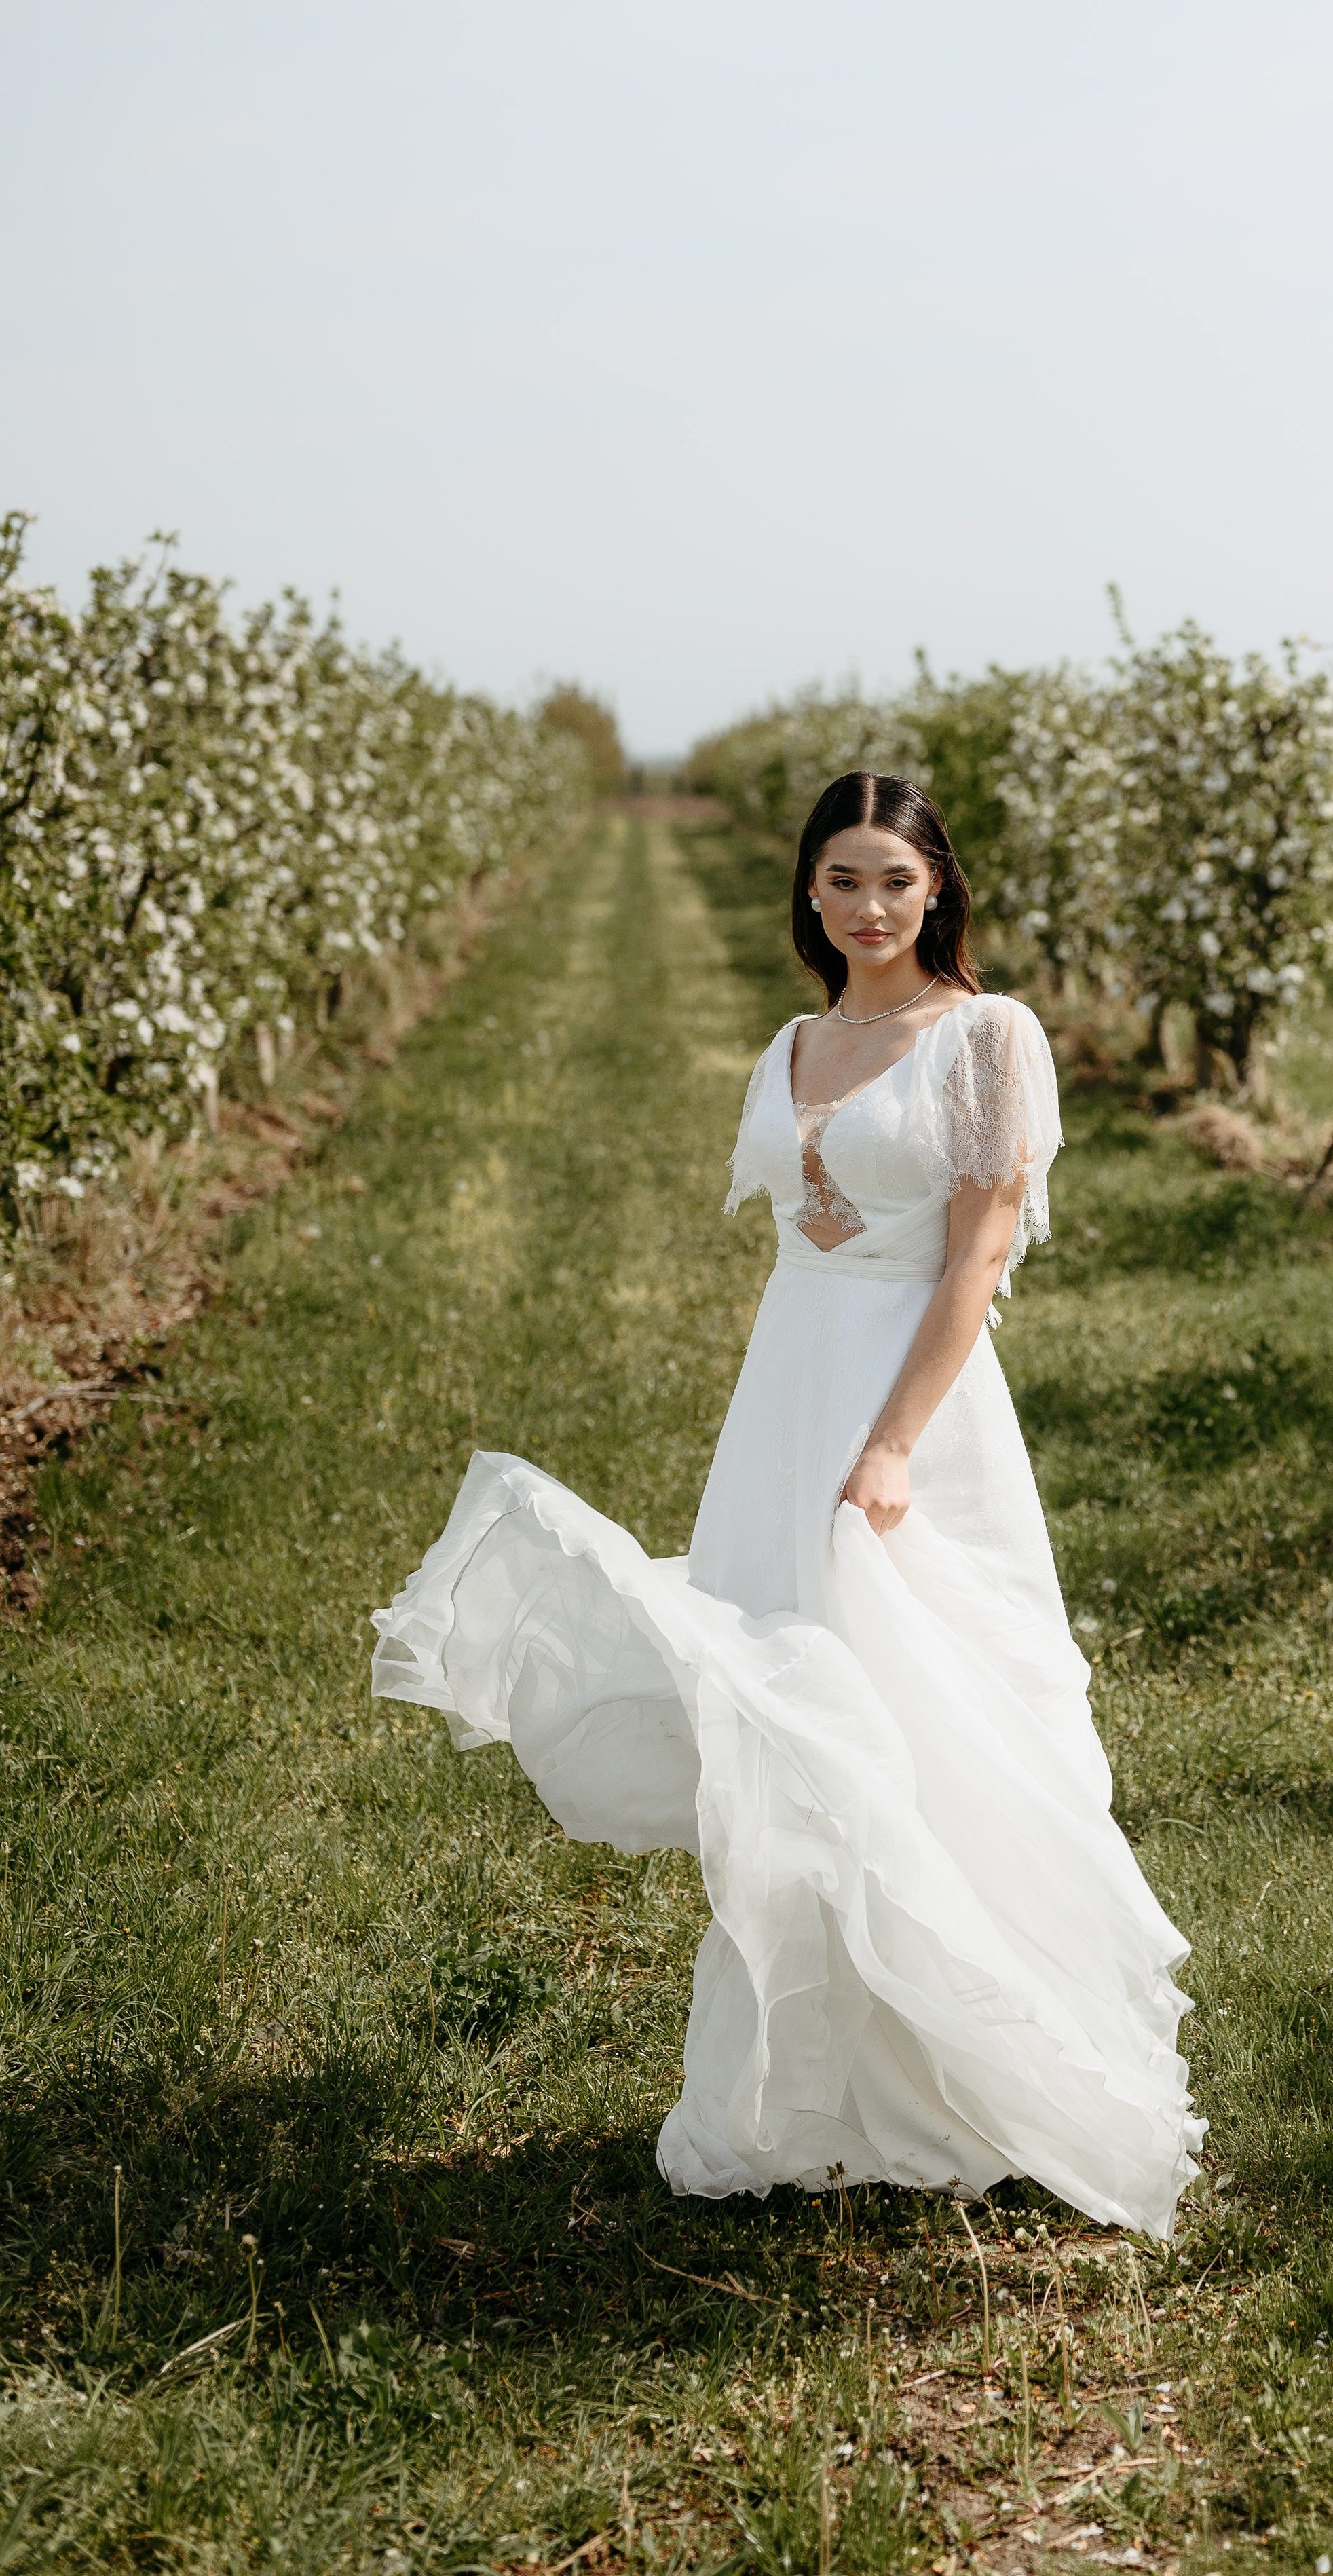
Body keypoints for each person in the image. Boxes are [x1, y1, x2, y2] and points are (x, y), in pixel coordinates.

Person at [372, 772, 1203, 2234]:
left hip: (909, 1407)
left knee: (919, 1706)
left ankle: (985, 2069)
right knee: (788, 1723)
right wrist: (804, 1424)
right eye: (839, 881)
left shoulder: (989, 1037)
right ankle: (813, 2087)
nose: (867, 906)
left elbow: (971, 1265)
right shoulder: (797, 1038)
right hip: (784, 1392)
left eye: (892, 877)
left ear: (935, 885)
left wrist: (889, 1446)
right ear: (807, 896)